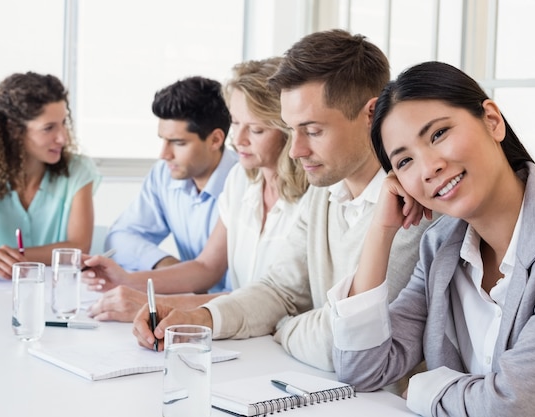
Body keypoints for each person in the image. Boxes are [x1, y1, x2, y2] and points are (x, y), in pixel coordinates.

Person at [130, 29, 432, 374]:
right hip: (320, 386)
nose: (296, 150)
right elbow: (280, 290)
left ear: (371, 114)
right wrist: (200, 318)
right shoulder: (324, 192)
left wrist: (285, 327)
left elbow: (347, 339)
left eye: (313, 131)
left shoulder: (412, 204)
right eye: (291, 131)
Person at [329, 61, 535, 417]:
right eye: (404, 162)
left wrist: (426, 388)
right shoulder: (441, 247)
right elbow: (362, 370)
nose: (428, 167)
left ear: (492, 121)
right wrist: (381, 229)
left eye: (438, 134)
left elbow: (514, 406)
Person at [83, 57, 308, 322]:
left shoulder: (311, 197)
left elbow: (266, 297)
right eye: (235, 124)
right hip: (234, 329)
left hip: (265, 330)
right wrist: (128, 281)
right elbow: (206, 267)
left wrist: (153, 304)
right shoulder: (242, 180)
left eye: (256, 129)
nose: (238, 140)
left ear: (288, 131)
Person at [102, 76, 238, 294]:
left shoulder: (244, 182)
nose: (164, 154)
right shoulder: (165, 173)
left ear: (215, 140)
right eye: (163, 140)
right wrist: (166, 264)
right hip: (185, 303)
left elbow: (221, 279)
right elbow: (119, 237)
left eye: (178, 142)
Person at [0, 72, 100, 279]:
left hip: (52, 298)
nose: (62, 138)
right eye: (48, 128)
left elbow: (78, 248)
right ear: (14, 131)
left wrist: (2, 258)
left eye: (64, 123)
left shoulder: (78, 170)